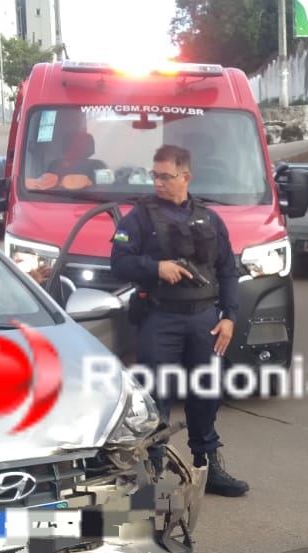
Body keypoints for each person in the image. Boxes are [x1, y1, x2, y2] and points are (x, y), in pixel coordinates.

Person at [110, 144, 248, 497]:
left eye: (165, 176)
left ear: (186, 177)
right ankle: (152, 467)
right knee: (157, 395)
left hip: (204, 319)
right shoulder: (138, 218)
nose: (157, 182)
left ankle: (207, 466)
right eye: (154, 175)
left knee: (206, 392)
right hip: (161, 317)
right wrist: (155, 267)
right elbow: (118, 262)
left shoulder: (209, 218)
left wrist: (229, 317)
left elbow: (229, 272)